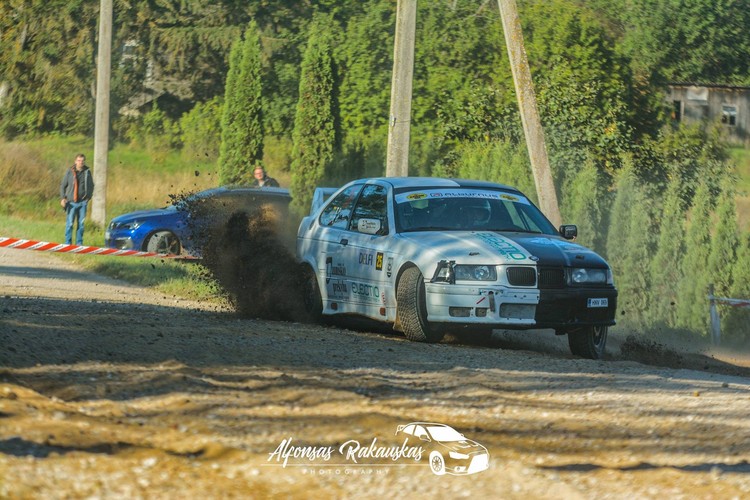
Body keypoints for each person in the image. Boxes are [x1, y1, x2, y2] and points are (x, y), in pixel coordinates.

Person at [60, 153, 94, 245]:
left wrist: (88, 198)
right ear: (75, 161)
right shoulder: (69, 172)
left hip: (82, 203)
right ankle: (68, 243)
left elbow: (91, 186)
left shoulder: (87, 172)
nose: (80, 162)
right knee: (70, 224)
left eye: (82, 161)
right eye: (79, 160)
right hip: (71, 203)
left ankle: (79, 244)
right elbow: (63, 185)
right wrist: (63, 198)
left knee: (81, 225)